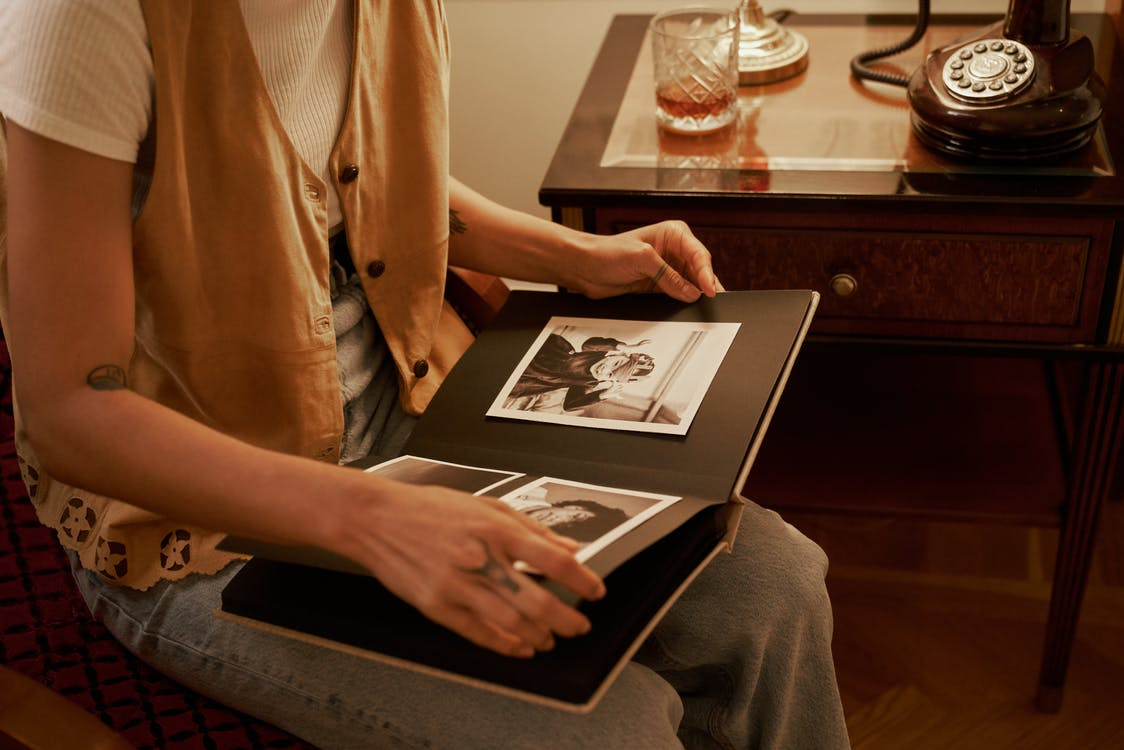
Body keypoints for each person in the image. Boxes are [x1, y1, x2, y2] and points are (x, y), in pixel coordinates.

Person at [0, 2, 850, 748]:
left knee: (772, 586)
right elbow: (69, 406)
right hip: (198, 525)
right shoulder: (82, 16)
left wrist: (578, 257)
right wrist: (375, 519)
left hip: (414, 420)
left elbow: (363, 183)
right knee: (611, 731)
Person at [507, 333, 657, 412]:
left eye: (610, 375)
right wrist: (622, 346)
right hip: (544, 353)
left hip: (528, 380)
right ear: (615, 355)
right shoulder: (595, 352)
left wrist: (602, 395)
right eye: (615, 363)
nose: (605, 370)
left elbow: (569, 406)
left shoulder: (588, 383)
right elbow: (589, 344)